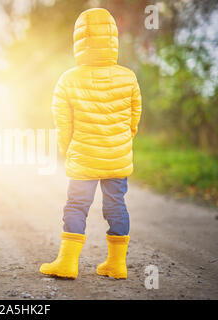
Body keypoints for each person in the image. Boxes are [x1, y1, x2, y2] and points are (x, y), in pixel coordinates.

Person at [40, 8, 142, 280]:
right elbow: (135, 117)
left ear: (80, 39)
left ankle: (68, 263)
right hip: (117, 157)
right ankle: (117, 264)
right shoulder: (128, 76)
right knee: (116, 206)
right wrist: (122, 141)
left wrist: (67, 148)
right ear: (113, 39)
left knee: (76, 206)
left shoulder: (68, 79)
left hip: (83, 156)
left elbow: (62, 123)